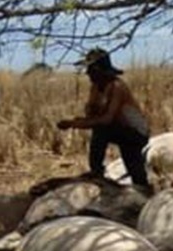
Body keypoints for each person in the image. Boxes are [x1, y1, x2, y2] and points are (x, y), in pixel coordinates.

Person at [57, 48, 150, 188]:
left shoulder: (117, 87)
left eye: (91, 69)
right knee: (133, 167)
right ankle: (97, 171)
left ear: (100, 70)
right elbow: (92, 114)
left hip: (135, 132)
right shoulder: (96, 87)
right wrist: (85, 116)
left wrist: (74, 124)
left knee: (103, 132)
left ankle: (97, 170)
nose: (88, 73)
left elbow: (106, 119)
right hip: (120, 130)